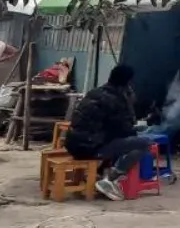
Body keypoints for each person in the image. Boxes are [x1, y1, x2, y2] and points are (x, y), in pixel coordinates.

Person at [64, 64, 153, 201]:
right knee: (144, 143)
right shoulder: (116, 99)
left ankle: (101, 173)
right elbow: (124, 129)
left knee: (115, 139)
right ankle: (111, 179)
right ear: (128, 82)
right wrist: (137, 123)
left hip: (72, 144)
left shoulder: (94, 92)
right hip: (89, 148)